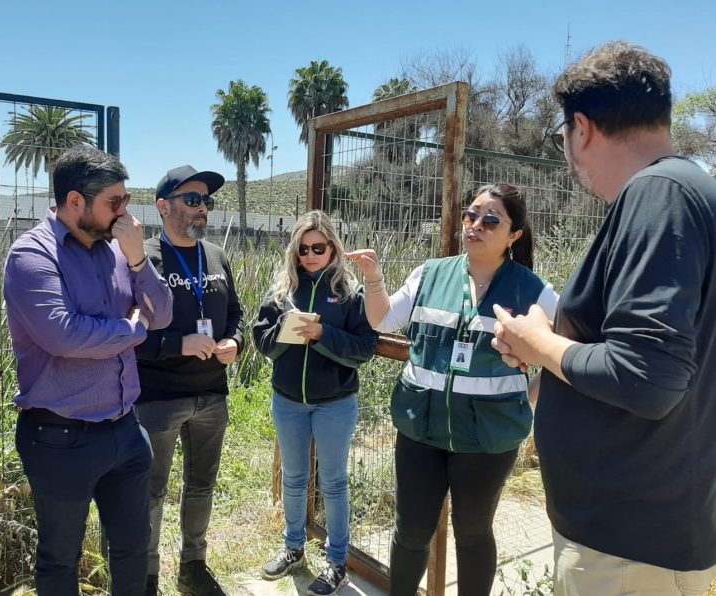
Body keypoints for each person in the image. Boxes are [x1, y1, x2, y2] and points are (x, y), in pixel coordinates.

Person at [492, 41, 716, 595]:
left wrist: (538, 340)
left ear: (582, 128)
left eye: (561, 135)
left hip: (625, 550)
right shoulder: (692, 192)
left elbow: (647, 376)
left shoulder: (658, 195)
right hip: (658, 529)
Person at [348, 184, 558, 596]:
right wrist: (374, 279)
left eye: (491, 219)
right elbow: (382, 321)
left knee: (474, 533)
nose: (476, 225)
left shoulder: (535, 291)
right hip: (420, 430)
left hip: (488, 438)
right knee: (410, 531)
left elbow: (565, 352)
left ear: (514, 235)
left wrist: (525, 397)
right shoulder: (430, 273)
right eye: (471, 215)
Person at [3, 145, 173, 596]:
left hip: (124, 429)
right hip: (59, 437)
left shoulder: (119, 250)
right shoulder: (31, 256)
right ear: (75, 201)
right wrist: (130, 331)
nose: (125, 213)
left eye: (126, 199)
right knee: (61, 557)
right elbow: (63, 335)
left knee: (134, 547)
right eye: (114, 202)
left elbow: (161, 316)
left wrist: (138, 258)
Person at [253, 210, 378, 596]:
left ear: (332, 248)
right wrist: (287, 331)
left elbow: (364, 349)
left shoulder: (350, 293)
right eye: (303, 248)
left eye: (318, 248)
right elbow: (261, 341)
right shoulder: (282, 290)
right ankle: (294, 548)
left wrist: (323, 334)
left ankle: (337, 561)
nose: (310, 255)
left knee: (333, 482)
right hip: (288, 400)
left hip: (335, 403)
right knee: (293, 478)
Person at [134, 165, 244, 596]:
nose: (203, 210)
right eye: (192, 201)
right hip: (158, 398)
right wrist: (178, 345)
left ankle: (193, 567)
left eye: (207, 202)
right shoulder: (142, 260)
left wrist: (235, 341)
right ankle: (146, 577)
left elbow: (235, 313)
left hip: (212, 396)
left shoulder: (216, 255)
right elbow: (127, 335)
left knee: (201, 487)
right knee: (151, 493)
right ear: (164, 207)